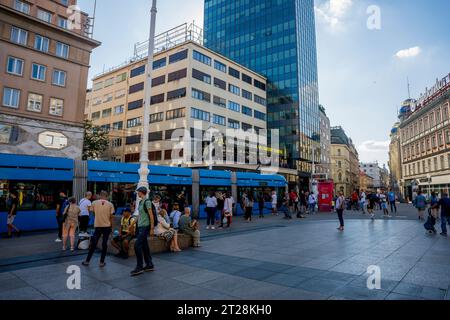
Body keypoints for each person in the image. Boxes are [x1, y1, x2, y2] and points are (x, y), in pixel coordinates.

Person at [82, 191, 114, 267]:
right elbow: (111, 217)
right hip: (107, 226)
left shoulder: (94, 203)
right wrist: (111, 227)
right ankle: (101, 262)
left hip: (98, 226)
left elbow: (91, 211)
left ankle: (87, 261)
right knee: (104, 244)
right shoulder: (110, 204)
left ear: (100, 196)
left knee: (94, 244)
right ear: (107, 196)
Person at [130, 187, 156, 277]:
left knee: (137, 245)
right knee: (144, 246)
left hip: (145, 227)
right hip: (140, 227)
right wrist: (132, 224)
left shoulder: (147, 201)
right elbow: (139, 215)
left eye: (138, 192)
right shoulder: (141, 202)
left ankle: (139, 267)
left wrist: (152, 228)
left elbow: (151, 215)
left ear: (141, 192)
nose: (137, 193)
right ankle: (149, 264)